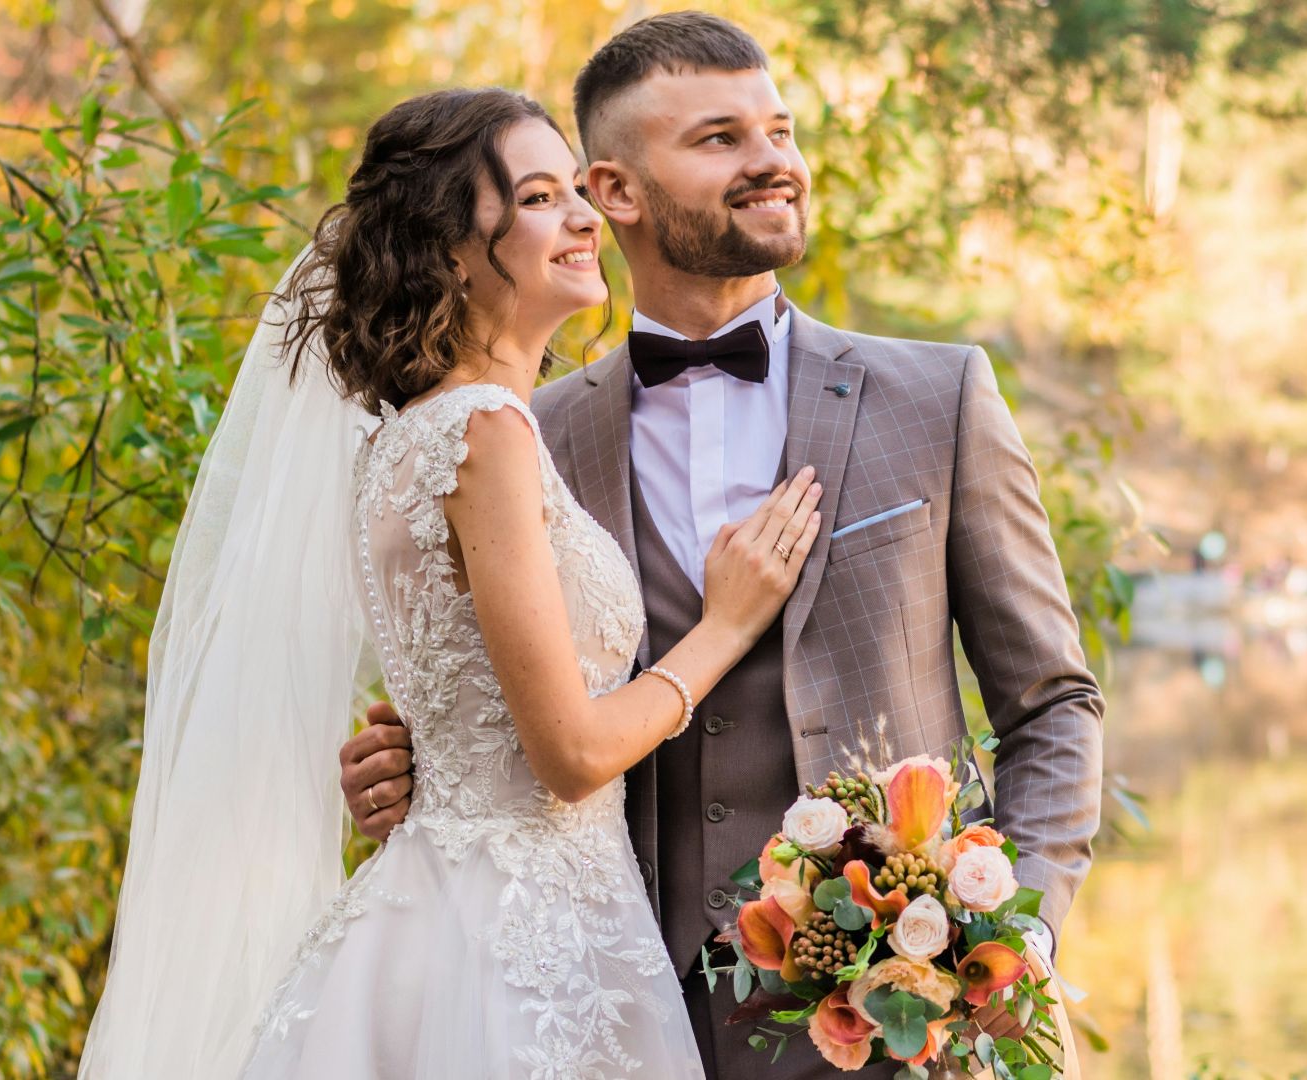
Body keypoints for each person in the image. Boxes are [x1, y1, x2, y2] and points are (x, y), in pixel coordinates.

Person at [338, 13, 1105, 1079]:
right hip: (612, 995)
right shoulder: (519, 428)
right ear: (616, 191)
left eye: (778, 130)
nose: (773, 163)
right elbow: (512, 703)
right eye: (720, 140)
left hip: (894, 1019)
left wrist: (1012, 936)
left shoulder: (939, 399)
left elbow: (1054, 706)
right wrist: (413, 761)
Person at [80, 85, 823, 1078]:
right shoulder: (485, 433)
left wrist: (410, 750)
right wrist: (726, 626)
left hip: (446, 909)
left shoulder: (405, 442)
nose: (584, 219)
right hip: (519, 943)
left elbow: (464, 700)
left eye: (577, 194)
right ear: (453, 250)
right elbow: (566, 753)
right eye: (539, 198)